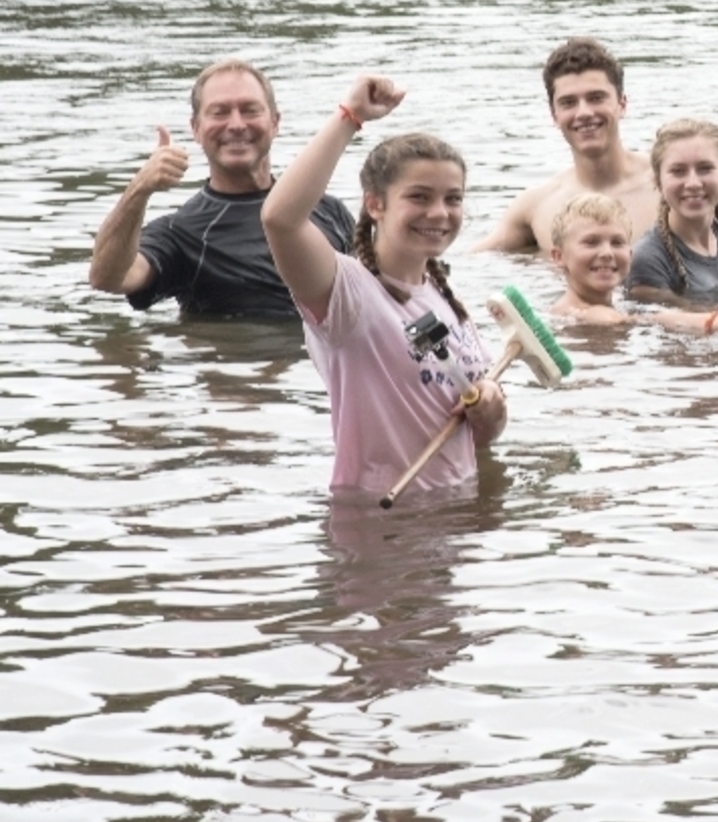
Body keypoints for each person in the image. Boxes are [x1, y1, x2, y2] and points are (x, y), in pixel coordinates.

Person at [263, 75, 506, 496]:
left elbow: (478, 438)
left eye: (453, 198)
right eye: (419, 197)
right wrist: (349, 117)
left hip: (455, 514)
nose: (439, 212)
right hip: (376, 520)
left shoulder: (446, 299)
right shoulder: (347, 295)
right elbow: (280, 219)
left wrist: (491, 410)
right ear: (374, 203)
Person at [88, 58, 355, 319]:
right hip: (237, 348)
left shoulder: (329, 210)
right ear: (196, 128)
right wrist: (139, 189)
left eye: (250, 110)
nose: (236, 125)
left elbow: (371, 293)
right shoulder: (180, 233)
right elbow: (107, 278)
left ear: (275, 122)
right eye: (220, 112)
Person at [473, 38, 657, 252]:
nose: (584, 113)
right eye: (568, 103)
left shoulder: (666, 185)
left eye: (596, 98)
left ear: (622, 104)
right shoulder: (536, 207)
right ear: (554, 114)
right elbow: (472, 260)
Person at [627, 119, 718, 309]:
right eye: (678, 171)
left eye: (705, 169)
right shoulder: (648, 258)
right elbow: (659, 318)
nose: (693, 183)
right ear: (658, 181)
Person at [547, 192, 718, 335]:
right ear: (559, 257)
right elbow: (638, 320)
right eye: (591, 242)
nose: (607, 253)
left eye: (617, 242)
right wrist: (714, 321)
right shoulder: (583, 313)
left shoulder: (612, 303)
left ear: (630, 254)